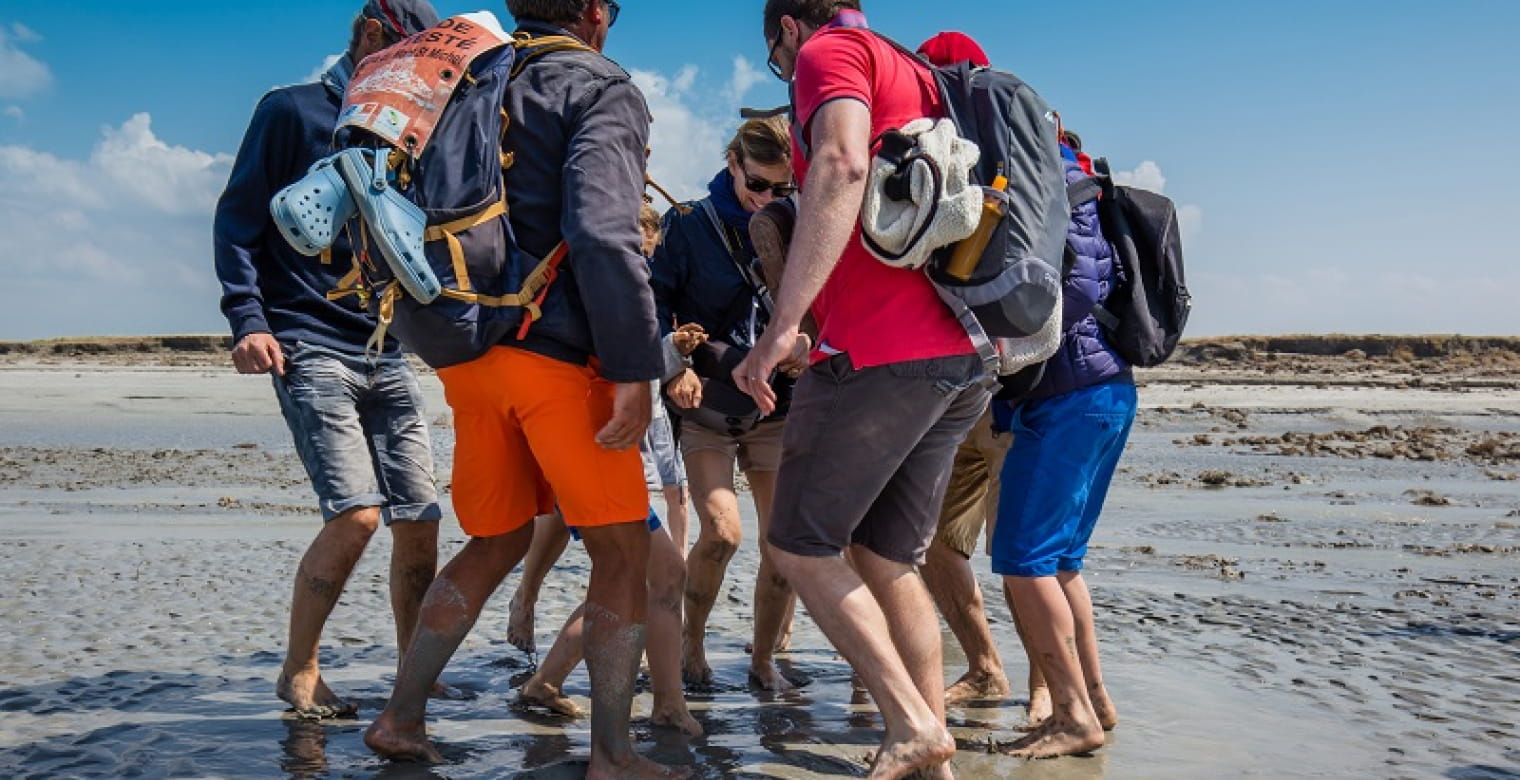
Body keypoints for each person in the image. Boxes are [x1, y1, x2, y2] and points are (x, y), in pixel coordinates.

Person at [361, 2, 685, 778]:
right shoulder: (597, 84)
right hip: (557, 361)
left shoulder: (469, 74)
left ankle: (401, 717)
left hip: (467, 351)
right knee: (619, 554)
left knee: (499, 537)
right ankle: (612, 754)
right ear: (598, 13)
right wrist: (637, 371)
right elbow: (606, 232)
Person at [736, 2, 992, 777]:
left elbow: (845, 164)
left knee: (800, 543)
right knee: (886, 556)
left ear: (785, 27)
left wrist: (782, 325)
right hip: (964, 351)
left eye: (775, 51)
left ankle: (914, 726)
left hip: (880, 352)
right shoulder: (913, 66)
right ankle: (933, 760)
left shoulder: (830, 52)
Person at [212, 0, 443, 720]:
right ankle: (300, 670)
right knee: (358, 515)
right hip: (308, 341)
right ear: (375, 36)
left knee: (422, 517)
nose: (421, 76)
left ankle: (411, 676)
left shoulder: (411, 131)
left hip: (389, 348)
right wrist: (247, 320)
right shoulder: (290, 111)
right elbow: (237, 219)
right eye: (414, 55)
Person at [910, 30, 1052, 723]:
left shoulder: (1004, 163)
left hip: (1018, 393)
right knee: (944, 544)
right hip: (978, 389)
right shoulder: (1015, 153)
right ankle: (989, 668)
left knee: (1023, 556)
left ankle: (1048, 686)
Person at [649, 116, 810, 692]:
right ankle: (692, 644)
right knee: (721, 533)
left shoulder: (799, 225)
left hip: (776, 407)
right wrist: (676, 368)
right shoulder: (689, 224)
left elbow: (817, 312)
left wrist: (805, 346)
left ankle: (763, 661)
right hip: (708, 408)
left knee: (784, 545)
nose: (768, 198)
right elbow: (655, 304)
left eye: (782, 189)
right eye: (758, 184)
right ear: (733, 163)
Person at [991, 130, 1133, 759]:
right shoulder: (1087, 187)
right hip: (1104, 391)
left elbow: (1070, 295)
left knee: (1023, 560)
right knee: (1063, 560)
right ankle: (1095, 700)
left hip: (1067, 397)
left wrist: (987, 330)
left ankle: (1073, 716)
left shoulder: (1055, 189)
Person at [516, 507, 701, 737]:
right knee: (641, 574)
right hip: (601, 477)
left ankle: (547, 682)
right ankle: (665, 712)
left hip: (608, 477)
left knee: (660, 573)